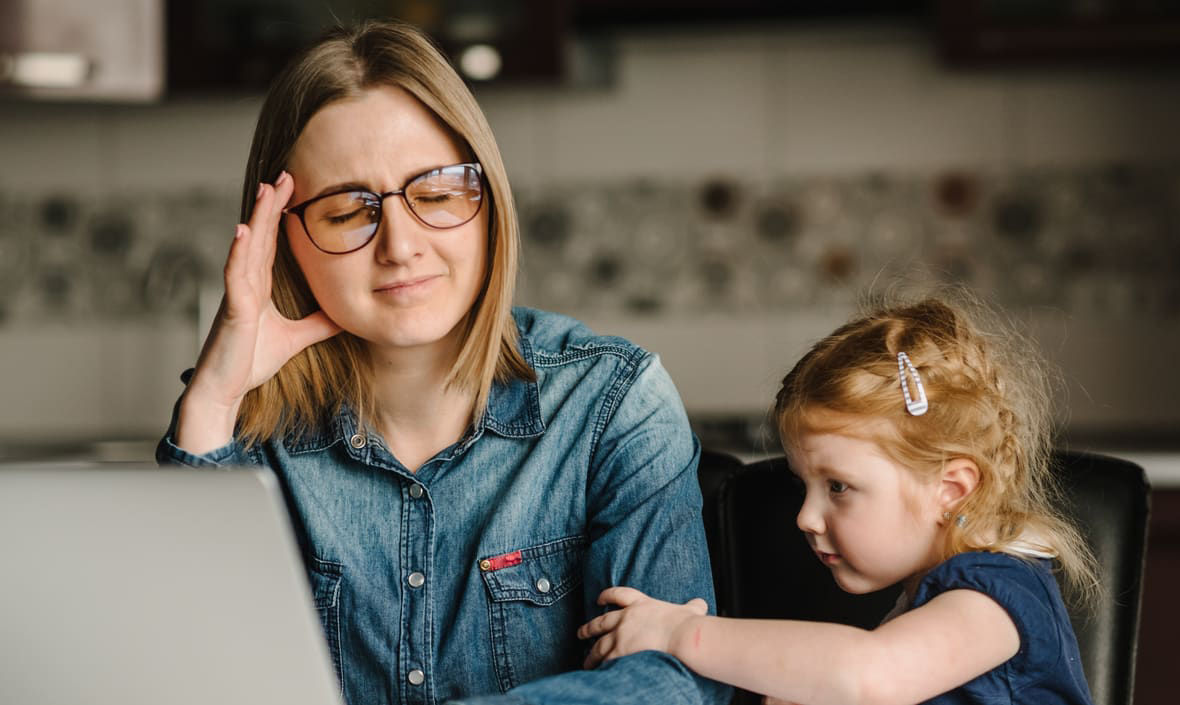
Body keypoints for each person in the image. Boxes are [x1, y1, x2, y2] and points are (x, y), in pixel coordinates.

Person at [156, 20, 729, 705]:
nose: (399, 245)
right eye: (346, 212)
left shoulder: (615, 401)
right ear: (285, 242)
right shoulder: (244, 434)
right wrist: (212, 401)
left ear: (487, 202)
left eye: (435, 193)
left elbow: (674, 685)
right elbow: (191, 675)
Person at [578, 297, 1100, 705]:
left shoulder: (997, 595)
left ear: (951, 489)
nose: (805, 517)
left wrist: (682, 635)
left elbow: (867, 675)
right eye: (804, 485)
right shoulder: (926, 599)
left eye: (838, 487)